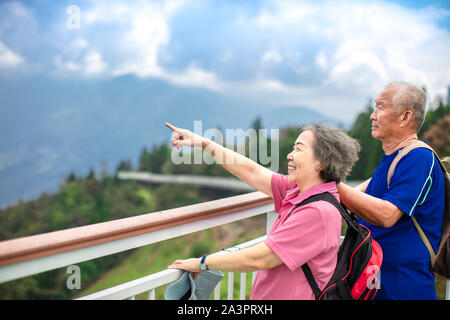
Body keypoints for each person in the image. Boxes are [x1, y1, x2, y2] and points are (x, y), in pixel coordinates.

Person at [166, 122, 360, 299]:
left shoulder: (318, 211)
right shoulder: (299, 191)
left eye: (298, 149)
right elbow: (252, 171)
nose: (289, 155)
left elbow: (258, 258)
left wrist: (202, 263)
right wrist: (206, 144)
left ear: (321, 162)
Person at [337, 82, 445, 300]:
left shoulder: (418, 158)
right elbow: (351, 195)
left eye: (380, 107)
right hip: (379, 284)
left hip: (404, 288)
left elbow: (387, 215)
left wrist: (332, 185)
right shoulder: (393, 160)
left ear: (405, 117)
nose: (372, 115)